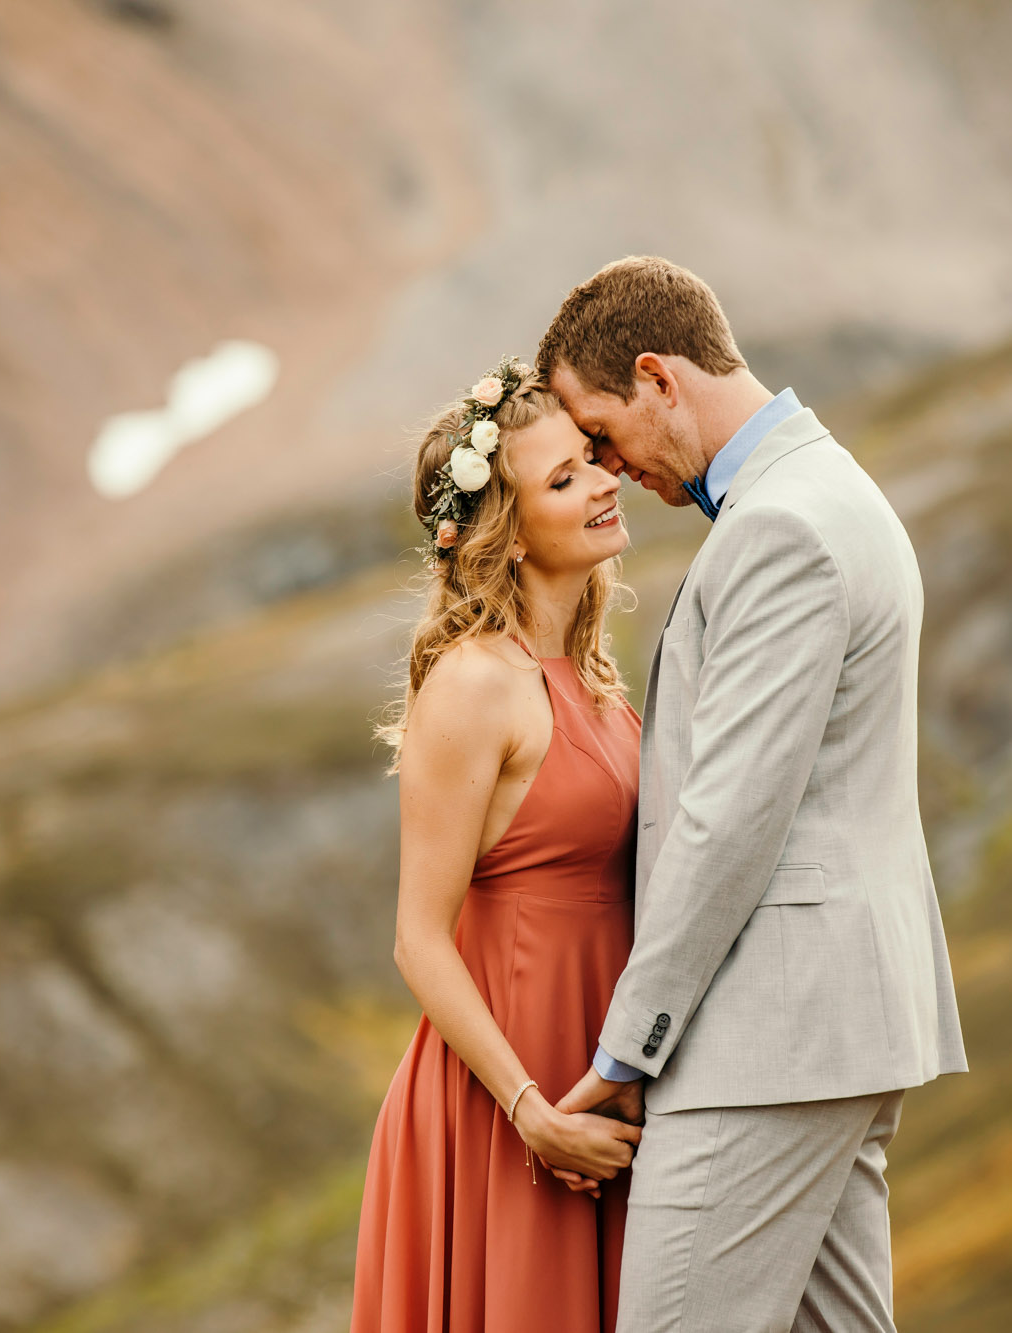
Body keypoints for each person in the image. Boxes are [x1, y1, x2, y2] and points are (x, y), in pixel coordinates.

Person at [538, 257, 969, 1333]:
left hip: (766, 1042)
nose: (606, 466)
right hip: (835, 1028)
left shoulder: (777, 528)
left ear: (656, 378)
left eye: (600, 432)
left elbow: (729, 820)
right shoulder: (826, 488)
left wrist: (630, 1045)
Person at [351, 357, 646, 1333]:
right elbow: (417, 939)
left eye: (591, 460)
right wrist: (532, 1112)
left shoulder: (589, 677)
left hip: (593, 1088)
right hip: (505, 1102)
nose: (603, 482)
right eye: (562, 480)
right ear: (507, 537)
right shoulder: (475, 684)